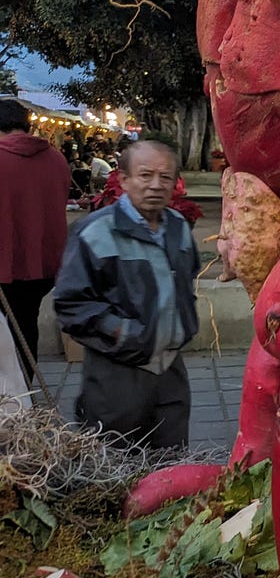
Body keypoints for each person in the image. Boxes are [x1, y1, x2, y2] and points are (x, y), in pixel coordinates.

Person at [53, 140, 199, 447]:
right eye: (145, 175)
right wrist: (125, 334)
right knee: (114, 469)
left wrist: (183, 325)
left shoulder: (178, 228)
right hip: (116, 373)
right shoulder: (95, 231)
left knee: (170, 470)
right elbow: (70, 304)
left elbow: (187, 281)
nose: (156, 186)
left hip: (170, 370)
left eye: (165, 177)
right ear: (124, 180)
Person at [0, 98, 72, 385]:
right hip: (44, 264)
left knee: (5, 329)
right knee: (26, 322)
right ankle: (24, 388)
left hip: (5, 263)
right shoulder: (56, 158)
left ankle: (10, 396)